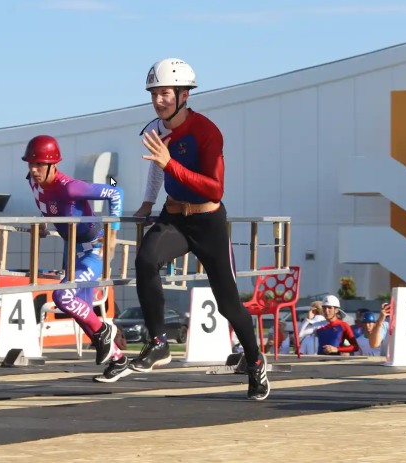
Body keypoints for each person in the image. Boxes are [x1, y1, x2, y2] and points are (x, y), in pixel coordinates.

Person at [130, 58, 269, 400]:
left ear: (184, 95)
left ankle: (254, 361)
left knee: (228, 305)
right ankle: (159, 342)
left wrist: (170, 164)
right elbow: (156, 168)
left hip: (207, 220)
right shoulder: (155, 127)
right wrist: (148, 202)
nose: (158, 100)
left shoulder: (207, 131)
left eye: (165, 93)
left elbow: (214, 189)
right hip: (174, 216)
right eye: (154, 94)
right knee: (146, 260)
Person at [23, 134, 126, 382]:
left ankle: (105, 330)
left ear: (53, 164)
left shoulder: (70, 186)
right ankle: (118, 359)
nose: (34, 170)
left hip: (94, 250)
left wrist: (112, 234)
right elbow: (46, 206)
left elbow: (116, 192)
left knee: (62, 296)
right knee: (80, 312)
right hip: (72, 250)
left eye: (39, 165)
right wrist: (44, 225)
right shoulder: (33, 182)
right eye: (31, 164)